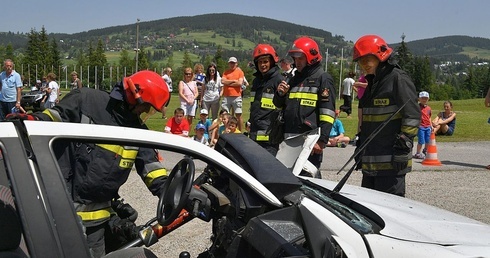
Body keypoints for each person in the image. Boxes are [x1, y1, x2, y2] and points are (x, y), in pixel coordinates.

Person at [7, 70, 170, 257]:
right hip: (59, 215)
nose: (144, 113)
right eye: (146, 107)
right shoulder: (86, 101)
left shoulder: (137, 132)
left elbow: (154, 172)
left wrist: (178, 194)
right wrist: (32, 121)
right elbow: (53, 118)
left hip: (96, 226)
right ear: (134, 97)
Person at [353, 34, 420, 197]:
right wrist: (361, 147)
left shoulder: (398, 79)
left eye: (367, 60)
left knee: (391, 214)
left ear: (380, 56)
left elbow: (412, 115)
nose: (364, 65)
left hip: (391, 163)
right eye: (361, 61)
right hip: (371, 163)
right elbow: (369, 121)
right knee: (368, 213)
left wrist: (403, 146)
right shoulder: (373, 83)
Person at [273, 36, 336, 169]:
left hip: (310, 142)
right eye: (295, 58)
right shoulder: (293, 78)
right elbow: (279, 105)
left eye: (300, 58)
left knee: (308, 180)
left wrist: (322, 140)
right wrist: (280, 94)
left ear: (311, 57)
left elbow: (328, 112)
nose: (297, 62)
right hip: (289, 139)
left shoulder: (323, 78)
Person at [249, 43, 283, 155]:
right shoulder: (256, 81)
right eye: (260, 62)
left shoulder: (278, 80)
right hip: (254, 133)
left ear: (272, 62)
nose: (262, 65)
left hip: (270, 137)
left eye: (265, 61)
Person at [221, 57, 245, 131]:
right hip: (226, 96)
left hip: (236, 96)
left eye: (233, 63)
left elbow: (240, 83)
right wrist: (234, 81)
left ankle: (240, 132)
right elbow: (223, 81)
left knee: (238, 115)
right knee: (225, 115)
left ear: (236, 63)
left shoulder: (240, 72)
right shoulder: (225, 72)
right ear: (229, 63)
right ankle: (226, 130)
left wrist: (228, 83)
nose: (232, 64)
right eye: (231, 63)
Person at [413, 91, 432, 159]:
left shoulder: (429, 108)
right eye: (422, 98)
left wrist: (431, 125)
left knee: (428, 140)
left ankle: (425, 150)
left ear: (428, 99)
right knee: (421, 140)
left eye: (426, 98)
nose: (424, 100)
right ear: (419, 99)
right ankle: (418, 153)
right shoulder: (417, 107)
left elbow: (429, 117)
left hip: (427, 126)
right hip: (421, 126)